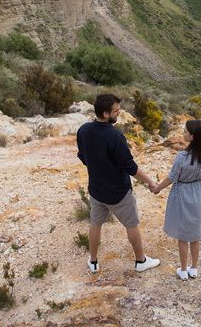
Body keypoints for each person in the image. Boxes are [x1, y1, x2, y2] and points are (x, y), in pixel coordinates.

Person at [76, 93, 160, 275]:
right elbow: (130, 167)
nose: (118, 113)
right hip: (118, 192)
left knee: (95, 224)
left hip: (96, 190)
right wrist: (150, 182)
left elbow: (82, 156)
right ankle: (141, 261)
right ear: (106, 113)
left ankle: (93, 261)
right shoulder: (115, 136)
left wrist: (98, 167)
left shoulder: (83, 130)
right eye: (116, 111)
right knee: (132, 225)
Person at [152, 119, 201, 280]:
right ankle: (194, 268)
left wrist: (157, 188)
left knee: (183, 235)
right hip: (198, 194)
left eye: (186, 131)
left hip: (182, 193)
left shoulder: (182, 156)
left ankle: (183, 270)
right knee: (195, 234)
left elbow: (171, 178)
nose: (183, 133)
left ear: (193, 137)